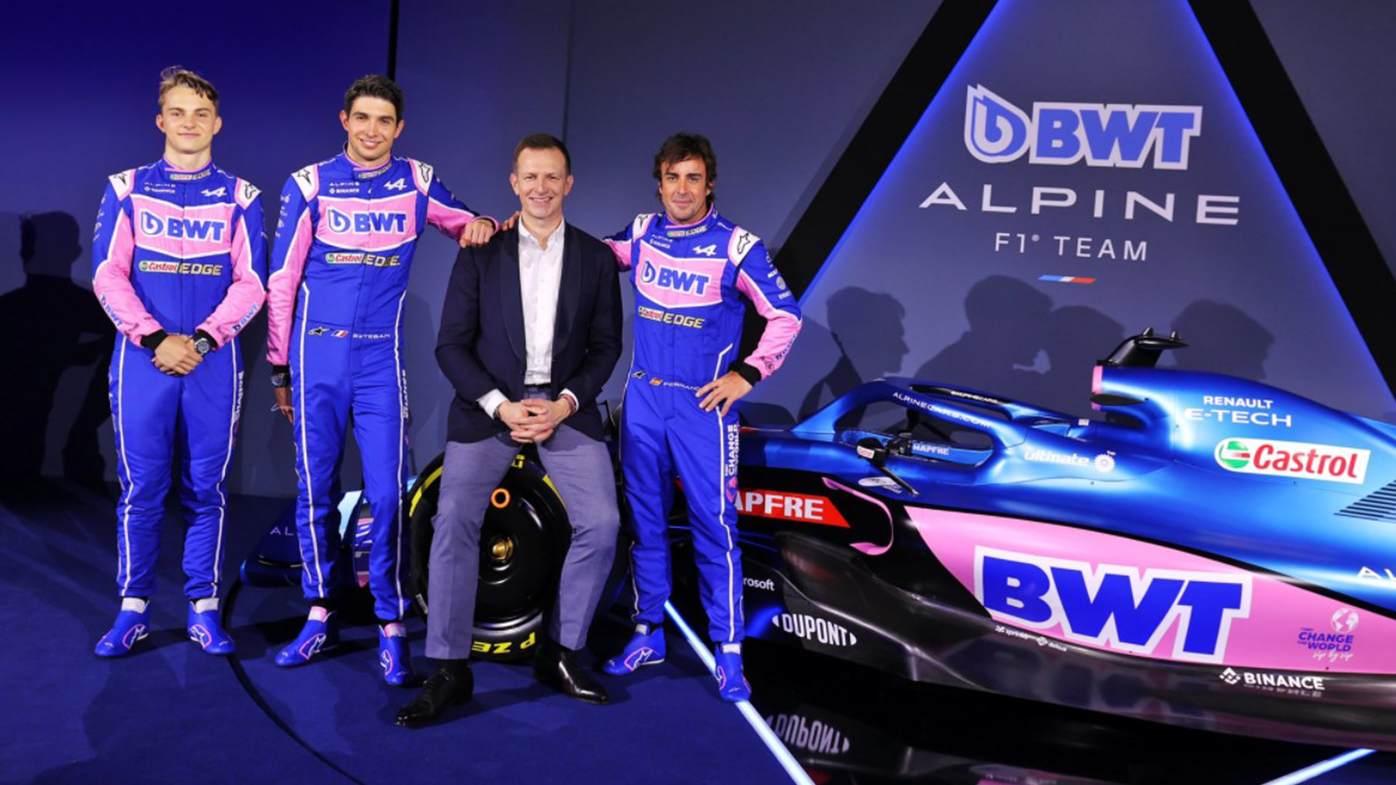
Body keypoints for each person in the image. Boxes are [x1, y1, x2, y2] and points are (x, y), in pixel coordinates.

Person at [264, 75, 497, 684]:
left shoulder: (417, 181)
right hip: (313, 358)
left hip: (377, 363)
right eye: (362, 118)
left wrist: (480, 223)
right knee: (315, 490)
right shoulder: (308, 184)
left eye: (384, 121)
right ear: (344, 119)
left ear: (399, 128)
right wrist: (277, 368)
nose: (372, 131)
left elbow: (468, 221)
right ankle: (319, 611)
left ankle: (390, 621)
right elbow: (282, 281)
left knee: (389, 494)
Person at [395, 134, 623, 726]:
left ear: (569, 185)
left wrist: (565, 404)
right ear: (513, 183)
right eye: (530, 178)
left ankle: (562, 651)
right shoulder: (480, 252)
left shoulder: (596, 258)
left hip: (564, 410)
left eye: (553, 178)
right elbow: (450, 345)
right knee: (453, 524)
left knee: (602, 523)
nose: (541, 189)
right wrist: (501, 405)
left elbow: (607, 348)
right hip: (489, 411)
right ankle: (449, 669)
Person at [600, 133, 801, 700]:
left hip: (702, 408)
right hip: (642, 400)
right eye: (672, 178)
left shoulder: (737, 246)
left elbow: (785, 317)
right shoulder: (641, 233)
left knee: (716, 527)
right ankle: (647, 631)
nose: (681, 189)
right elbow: (587, 258)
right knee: (644, 523)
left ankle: (730, 651)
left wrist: (748, 374)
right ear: (659, 183)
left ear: (709, 184)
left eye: (693, 178)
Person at [91, 67, 267, 657]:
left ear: (217, 123)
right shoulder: (126, 188)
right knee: (142, 489)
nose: (189, 123)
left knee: (206, 490)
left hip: (212, 362)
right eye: (178, 112)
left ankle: (203, 609)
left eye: (200, 114)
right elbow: (108, 274)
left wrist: (205, 340)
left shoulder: (242, 197)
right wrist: (153, 338)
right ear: (160, 120)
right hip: (143, 361)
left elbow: (252, 284)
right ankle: (132, 609)